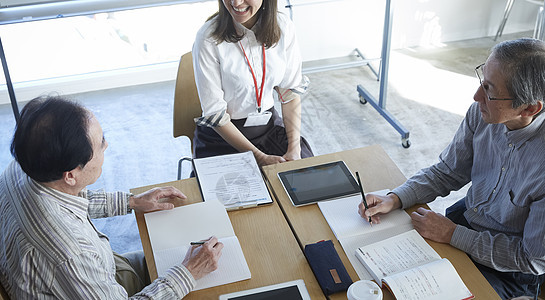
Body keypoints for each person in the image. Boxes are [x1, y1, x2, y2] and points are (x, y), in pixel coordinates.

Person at [359, 38, 545, 299]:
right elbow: (447, 172)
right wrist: (396, 197)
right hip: (464, 223)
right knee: (375, 273)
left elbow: (532, 259)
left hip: (507, 269)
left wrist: (453, 234)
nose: (476, 96)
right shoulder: (481, 114)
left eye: (490, 90)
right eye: (482, 79)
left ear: (529, 108)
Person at [0, 96, 223, 299]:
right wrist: (189, 272)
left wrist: (132, 201)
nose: (107, 145)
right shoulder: (72, 254)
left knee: (168, 251)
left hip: (91, 273)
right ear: (71, 174)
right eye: (100, 144)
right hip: (92, 283)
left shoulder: (24, 166)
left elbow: (69, 199)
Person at [192, 0, 313, 166]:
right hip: (222, 138)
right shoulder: (208, 38)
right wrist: (259, 157)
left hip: (268, 129)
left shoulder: (283, 26)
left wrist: (294, 148)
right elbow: (215, 113)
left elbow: (289, 94)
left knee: (305, 176)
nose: (236, 2)